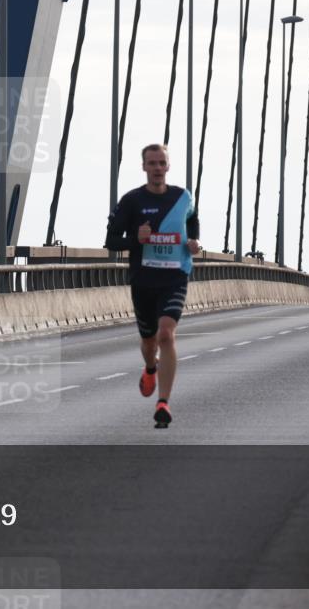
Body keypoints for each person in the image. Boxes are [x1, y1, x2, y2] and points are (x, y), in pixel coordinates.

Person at [105, 144, 201, 428]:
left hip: (175, 276)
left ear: (168, 166)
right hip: (143, 280)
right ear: (144, 167)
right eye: (152, 163)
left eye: (162, 163)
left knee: (166, 335)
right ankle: (150, 368)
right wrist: (137, 238)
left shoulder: (183, 197)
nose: (157, 168)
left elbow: (193, 218)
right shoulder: (132, 201)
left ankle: (164, 403)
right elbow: (111, 242)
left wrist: (194, 241)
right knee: (149, 342)